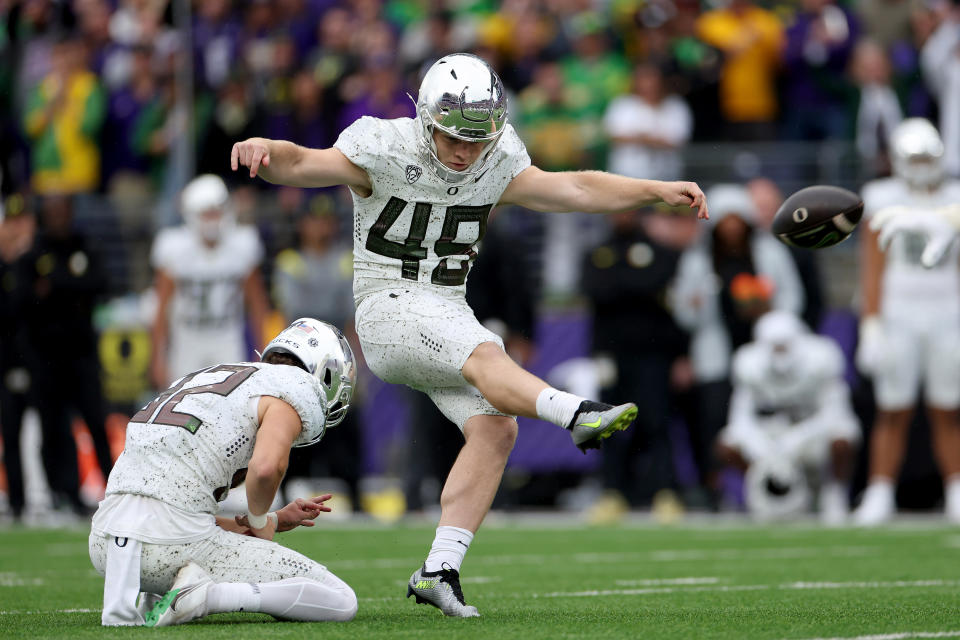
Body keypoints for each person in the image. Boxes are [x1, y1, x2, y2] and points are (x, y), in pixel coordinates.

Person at [230, 53, 708, 617]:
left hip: (447, 307)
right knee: (484, 352)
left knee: (494, 430)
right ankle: (574, 414)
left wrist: (654, 188)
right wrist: (266, 148)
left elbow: (574, 188)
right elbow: (305, 163)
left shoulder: (497, 157)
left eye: (475, 140)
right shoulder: (384, 145)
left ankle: (440, 569)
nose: (462, 151)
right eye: (451, 136)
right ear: (426, 118)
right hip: (387, 307)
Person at [88, 318, 358, 627]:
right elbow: (267, 468)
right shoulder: (294, 386)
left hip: (106, 544)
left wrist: (273, 520)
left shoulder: (213, 376)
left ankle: (165, 591)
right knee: (340, 600)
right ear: (325, 372)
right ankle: (207, 596)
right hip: (167, 544)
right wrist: (259, 522)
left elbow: (164, 505)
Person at [855, 117, 960, 525]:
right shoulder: (881, 195)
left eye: (925, 157)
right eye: (912, 158)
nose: (919, 165)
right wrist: (871, 323)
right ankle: (880, 490)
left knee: (948, 407)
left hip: (947, 310)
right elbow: (873, 266)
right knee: (893, 406)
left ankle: (955, 489)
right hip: (900, 310)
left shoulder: (954, 196)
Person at [14, 193, 113, 515]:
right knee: (53, 427)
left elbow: (100, 284)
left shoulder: (85, 244)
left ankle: (115, 490)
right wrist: (72, 288)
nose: (58, 217)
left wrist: (57, 286)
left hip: (82, 354)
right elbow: (27, 300)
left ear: (71, 212)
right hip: (46, 358)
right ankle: (63, 493)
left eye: (63, 210)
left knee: (96, 423)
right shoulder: (34, 254)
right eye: (52, 211)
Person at [715, 310, 860, 524]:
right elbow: (740, 419)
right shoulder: (749, 365)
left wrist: (796, 440)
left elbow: (835, 413)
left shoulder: (821, 359)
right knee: (727, 444)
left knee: (843, 436)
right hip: (771, 432)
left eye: (784, 345)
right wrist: (762, 447)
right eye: (775, 345)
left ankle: (834, 494)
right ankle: (761, 489)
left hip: (811, 431)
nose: (779, 351)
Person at [150, 174, 270, 389]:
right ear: (191, 215)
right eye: (207, 213)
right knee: (183, 408)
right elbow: (161, 308)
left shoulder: (242, 245)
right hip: (187, 341)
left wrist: (263, 351)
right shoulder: (174, 248)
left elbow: (258, 304)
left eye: (217, 212)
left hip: (226, 338)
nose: (213, 220)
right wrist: (158, 357)